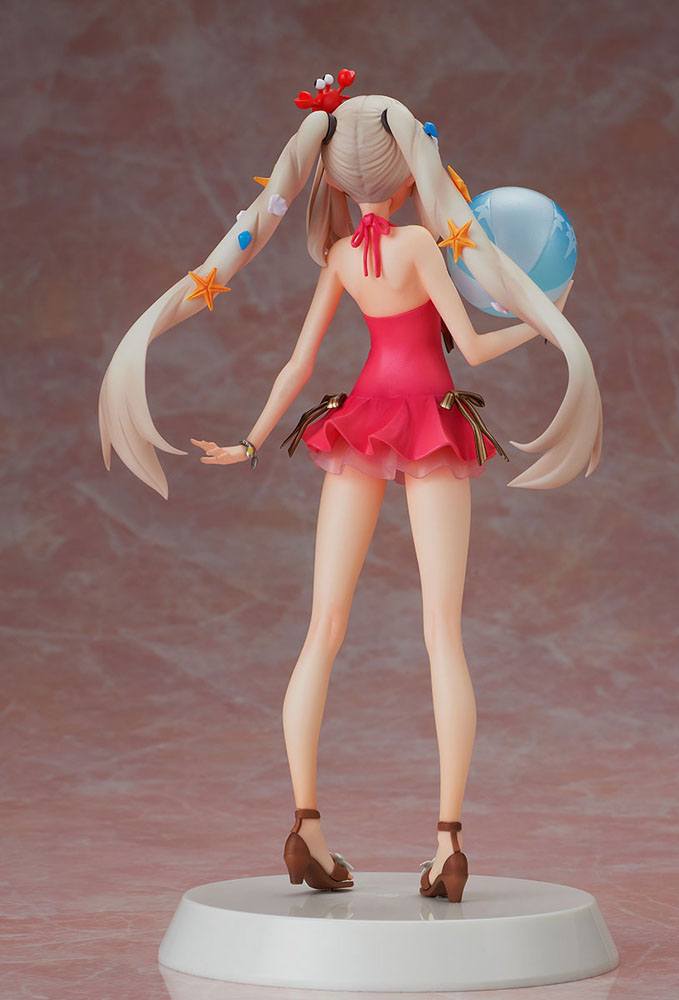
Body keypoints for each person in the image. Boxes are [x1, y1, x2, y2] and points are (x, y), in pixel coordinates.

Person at [98, 74, 603, 903]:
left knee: (322, 630)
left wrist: (251, 439)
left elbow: (298, 364)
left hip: (359, 423)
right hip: (430, 424)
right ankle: (448, 846)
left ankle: (305, 825)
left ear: (332, 176)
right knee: (442, 633)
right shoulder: (421, 247)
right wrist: (546, 320)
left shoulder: (339, 256)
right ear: (407, 176)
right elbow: (473, 349)